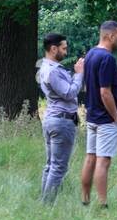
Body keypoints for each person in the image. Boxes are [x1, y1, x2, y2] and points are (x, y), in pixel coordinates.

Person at [80, 21, 117, 207]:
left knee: (90, 157)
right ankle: (102, 203)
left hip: (91, 116)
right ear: (110, 36)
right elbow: (105, 91)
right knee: (103, 161)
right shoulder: (107, 59)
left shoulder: (90, 54)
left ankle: (85, 199)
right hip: (105, 119)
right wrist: (115, 116)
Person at [36, 32, 83, 202]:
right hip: (62, 121)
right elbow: (69, 93)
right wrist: (79, 73)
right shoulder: (52, 71)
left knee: (51, 165)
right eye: (63, 48)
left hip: (52, 119)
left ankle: (44, 202)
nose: (66, 51)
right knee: (58, 167)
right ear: (53, 48)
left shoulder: (45, 67)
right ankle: (46, 205)